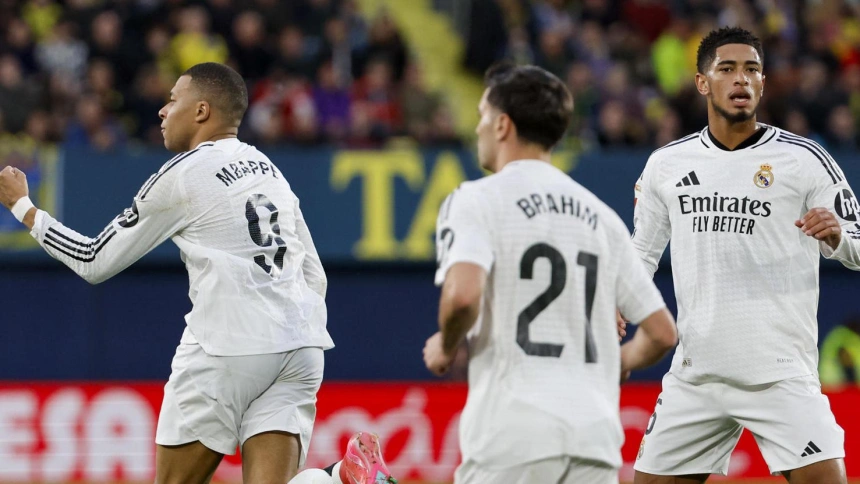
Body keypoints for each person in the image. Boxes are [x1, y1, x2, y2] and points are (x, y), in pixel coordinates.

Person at [0, 62, 392, 484]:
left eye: (173, 99)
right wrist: (296, 328)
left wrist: (25, 208)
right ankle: (339, 478)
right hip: (301, 346)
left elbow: (94, 260)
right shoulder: (268, 169)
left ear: (201, 111)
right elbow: (313, 270)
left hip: (228, 347)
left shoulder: (183, 174)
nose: (162, 111)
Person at [422, 62, 678, 484]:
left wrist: (447, 346)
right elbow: (662, 333)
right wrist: (616, 362)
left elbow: (463, 297)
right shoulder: (602, 217)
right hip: (594, 444)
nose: (477, 129)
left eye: (483, 116)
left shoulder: (476, 200)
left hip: (511, 440)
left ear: (503, 125)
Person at [631, 27, 857, 484]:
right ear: (702, 83)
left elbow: (858, 242)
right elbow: (641, 256)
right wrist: (618, 302)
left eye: (751, 69)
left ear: (763, 81)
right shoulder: (666, 165)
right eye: (727, 69)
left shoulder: (806, 159)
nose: (741, 79)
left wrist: (837, 237)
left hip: (779, 375)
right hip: (697, 375)